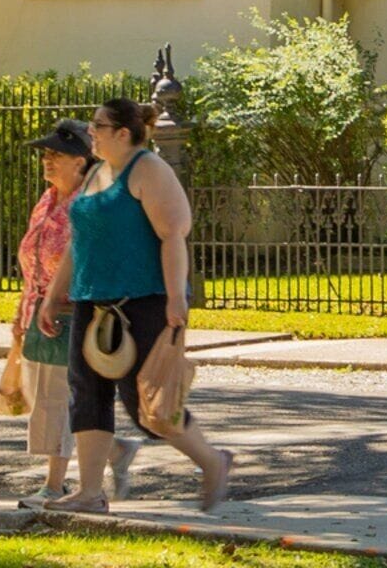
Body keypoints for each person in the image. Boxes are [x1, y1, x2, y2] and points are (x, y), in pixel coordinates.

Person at [65, 96, 235, 510]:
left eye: (98, 126)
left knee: (145, 405)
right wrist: (55, 297)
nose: (91, 132)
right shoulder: (95, 174)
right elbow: (78, 243)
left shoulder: (150, 170)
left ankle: (212, 461)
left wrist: (177, 298)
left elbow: (173, 235)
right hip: (92, 300)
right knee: (87, 394)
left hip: (142, 301)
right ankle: (89, 492)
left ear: (123, 133)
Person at [10, 120, 131, 509]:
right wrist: (22, 313)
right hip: (41, 316)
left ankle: (54, 485)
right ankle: (113, 449)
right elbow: (32, 265)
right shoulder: (47, 202)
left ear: (81, 162)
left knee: (58, 398)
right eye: (45, 155)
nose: (47, 161)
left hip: (74, 313)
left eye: (56, 155)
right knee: (47, 395)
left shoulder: (89, 204)